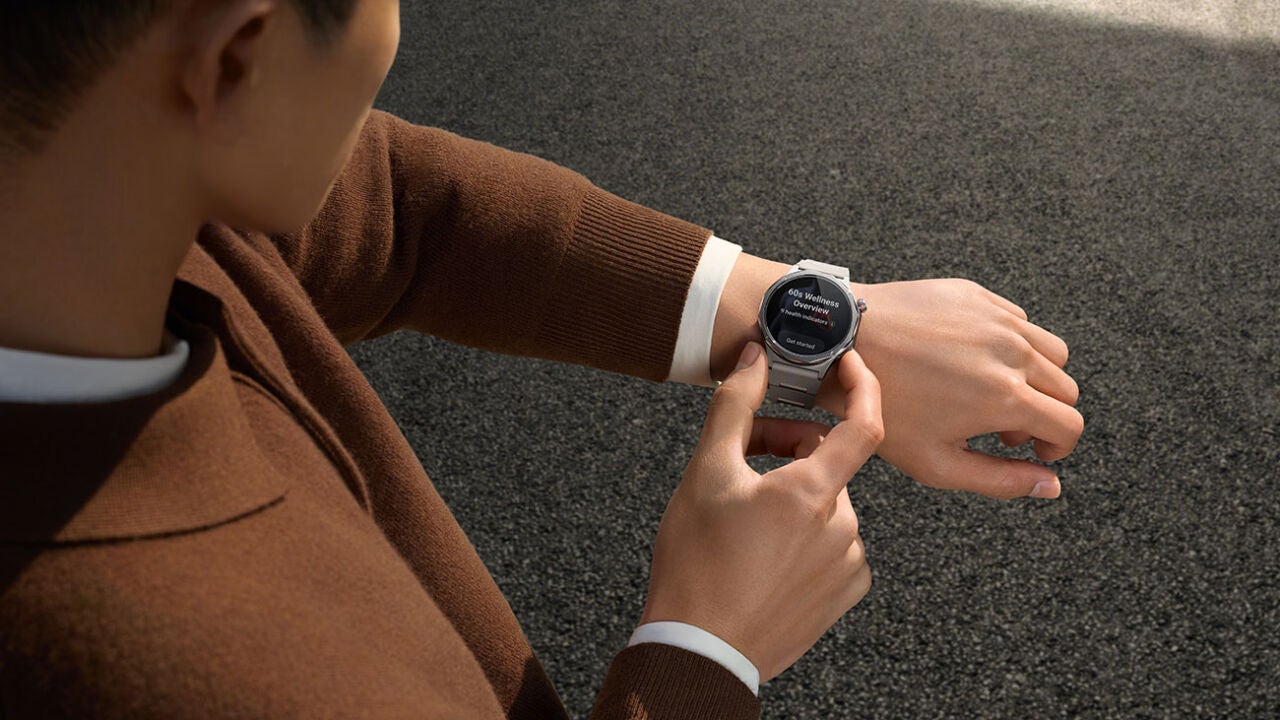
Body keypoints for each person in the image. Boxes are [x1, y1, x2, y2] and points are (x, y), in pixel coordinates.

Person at [0, 1, 1082, 717]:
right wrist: (705, 651)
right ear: (238, 54)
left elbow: (408, 208)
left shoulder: (124, 213)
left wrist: (823, 320)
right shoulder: (182, 677)